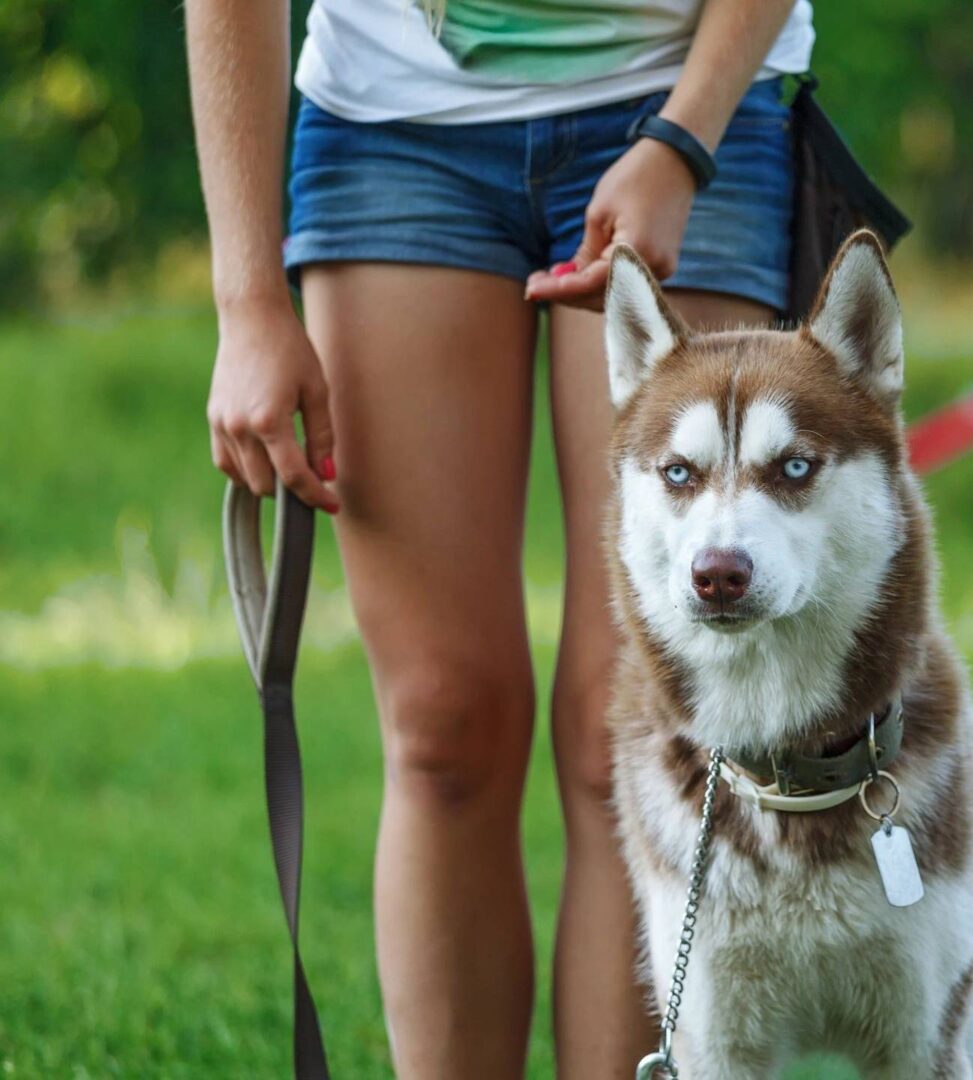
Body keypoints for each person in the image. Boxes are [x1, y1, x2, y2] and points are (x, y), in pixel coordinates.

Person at [185, 0, 814, 1075]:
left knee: (636, 736)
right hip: (392, 133)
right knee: (440, 725)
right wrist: (247, 301)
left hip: (690, 112)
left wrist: (683, 135)